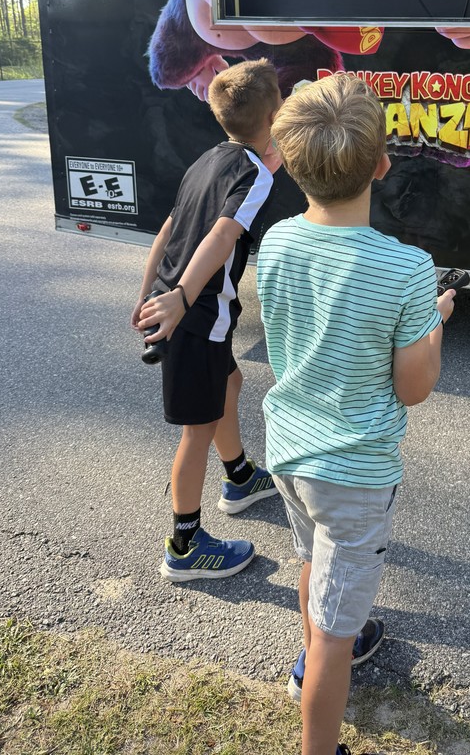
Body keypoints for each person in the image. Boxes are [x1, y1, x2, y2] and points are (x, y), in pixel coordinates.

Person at [256, 75, 456, 755]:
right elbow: (413, 387)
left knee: (311, 555)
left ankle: (321, 642)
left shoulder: (277, 241)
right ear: (381, 164)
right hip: (354, 472)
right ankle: (321, 729)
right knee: (335, 642)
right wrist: (435, 327)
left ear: (286, 160)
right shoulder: (407, 269)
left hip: (288, 446)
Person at [132, 58, 282, 581]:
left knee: (230, 382)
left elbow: (168, 227)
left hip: (181, 302)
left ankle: (239, 476)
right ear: (275, 113)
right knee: (197, 428)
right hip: (195, 312)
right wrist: (176, 298)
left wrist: (149, 289)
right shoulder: (254, 173)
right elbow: (220, 236)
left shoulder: (209, 159)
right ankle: (185, 544)